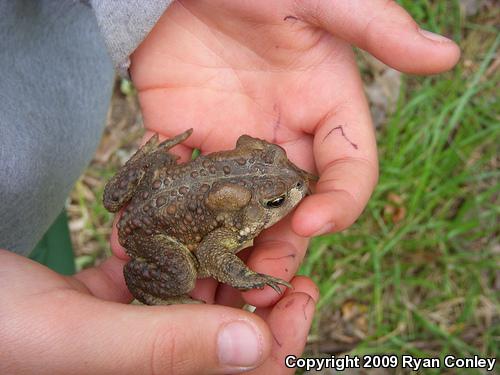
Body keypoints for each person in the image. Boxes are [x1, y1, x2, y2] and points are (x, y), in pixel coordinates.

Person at [0, 1, 460, 374]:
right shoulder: (229, 227)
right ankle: (165, 295)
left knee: (43, 247)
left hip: (57, 184)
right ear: (248, 214)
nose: (292, 192)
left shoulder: (246, 180)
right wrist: (249, 276)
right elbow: (213, 256)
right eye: (277, 203)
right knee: (182, 273)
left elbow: (246, 151)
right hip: (154, 231)